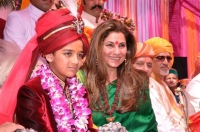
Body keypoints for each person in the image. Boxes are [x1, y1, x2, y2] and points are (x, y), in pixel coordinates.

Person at [0, 8, 97, 132]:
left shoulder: (79, 90)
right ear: (49, 55)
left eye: (79, 55)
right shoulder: (32, 92)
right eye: (68, 54)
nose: (76, 61)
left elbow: (87, 128)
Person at [78, 20, 158, 132]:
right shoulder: (80, 80)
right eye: (110, 45)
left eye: (122, 46)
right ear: (97, 48)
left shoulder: (138, 81)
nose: (117, 52)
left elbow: (148, 127)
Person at [145, 37, 187, 131]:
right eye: (160, 58)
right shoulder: (148, 85)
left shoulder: (162, 84)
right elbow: (160, 122)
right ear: (149, 60)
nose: (166, 62)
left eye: (168, 58)